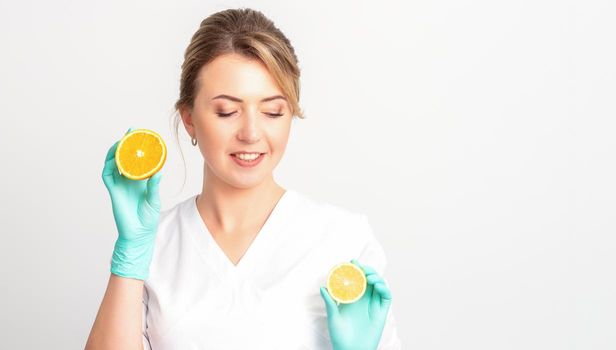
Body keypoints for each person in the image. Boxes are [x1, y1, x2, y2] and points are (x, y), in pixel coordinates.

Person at [85, 8, 400, 350]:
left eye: (272, 111)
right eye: (227, 111)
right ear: (189, 118)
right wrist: (130, 257)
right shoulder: (153, 246)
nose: (251, 133)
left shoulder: (342, 240)